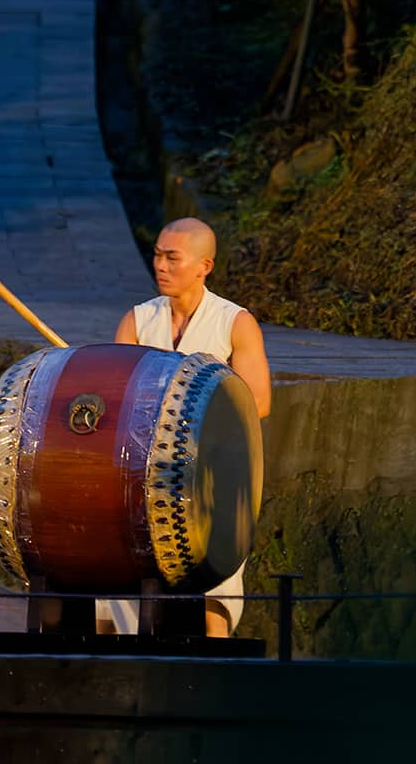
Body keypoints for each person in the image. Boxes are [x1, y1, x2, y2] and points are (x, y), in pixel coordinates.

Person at [101, 216, 272, 637]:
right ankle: (108, 653)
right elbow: (116, 399)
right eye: (157, 255)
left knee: (217, 572)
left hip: (212, 470)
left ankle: (215, 654)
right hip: (143, 468)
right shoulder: (138, 321)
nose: (160, 265)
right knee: (113, 555)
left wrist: (187, 417)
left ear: (204, 266)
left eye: (172, 258)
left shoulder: (233, 322)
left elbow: (259, 403)